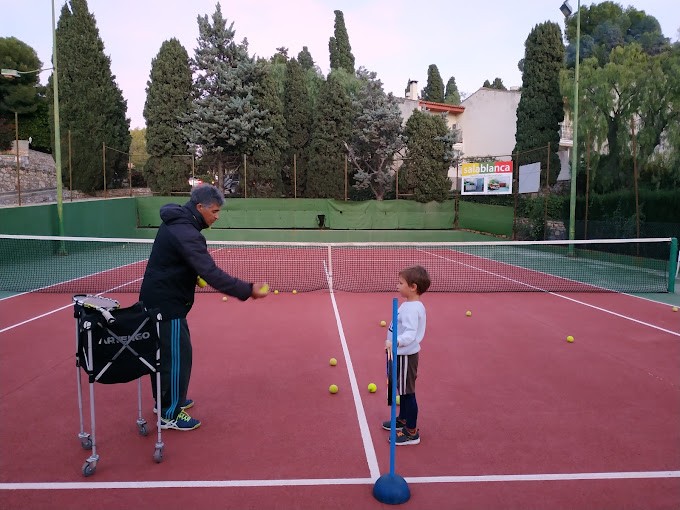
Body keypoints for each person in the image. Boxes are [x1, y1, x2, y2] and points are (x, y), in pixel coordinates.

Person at [139, 184, 268, 431]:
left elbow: (180, 261)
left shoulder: (179, 223)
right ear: (200, 208)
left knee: (167, 356)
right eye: (215, 211)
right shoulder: (187, 232)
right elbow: (210, 271)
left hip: (162, 300)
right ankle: (169, 414)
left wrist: (191, 274)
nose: (217, 217)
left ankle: (165, 402)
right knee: (177, 358)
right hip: (166, 304)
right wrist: (247, 290)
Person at [382, 265, 430, 445]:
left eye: (401, 283)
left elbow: (410, 334)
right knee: (401, 390)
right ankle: (402, 419)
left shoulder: (412, 308)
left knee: (408, 393)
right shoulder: (409, 304)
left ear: (413, 287)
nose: (397, 285)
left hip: (405, 356)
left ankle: (411, 431)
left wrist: (394, 343)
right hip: (399, 354)